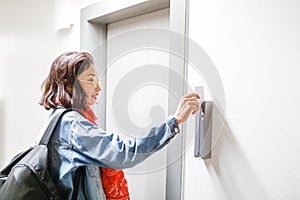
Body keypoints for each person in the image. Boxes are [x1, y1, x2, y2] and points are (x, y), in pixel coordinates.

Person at [39, 51, 200, 200]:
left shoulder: (56, 119)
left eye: (97, 80)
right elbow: (123, 153)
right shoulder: (74, 125)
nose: (98, 87)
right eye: (90, 80)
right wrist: (174, 121)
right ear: (68, 85)